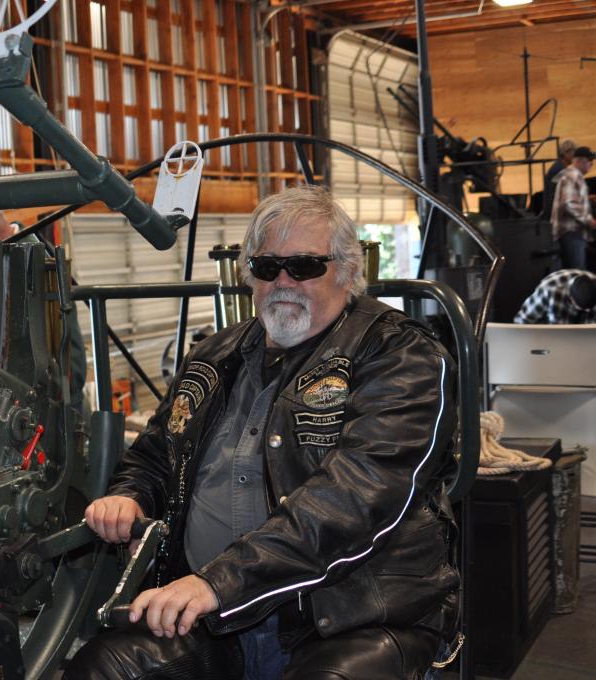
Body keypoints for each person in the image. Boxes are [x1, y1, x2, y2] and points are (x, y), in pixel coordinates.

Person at [67, 185, 459, 680]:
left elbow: (354, 500)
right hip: (209, 612)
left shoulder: (400, 355)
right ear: (248, 275)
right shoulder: (212, 356)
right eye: (267, 266)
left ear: (346, 271)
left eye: (304, 266)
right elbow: (155, 455)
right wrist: (129, 496)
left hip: (348, 616)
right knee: (102, 669)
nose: (283, 282)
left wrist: (219, 583)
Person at [0, 211, 89, 411]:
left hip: (56, 406)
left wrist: (64, 395)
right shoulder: (11, 252)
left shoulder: (35, 261)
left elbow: (67, 354)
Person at [551, 146, 596, 270]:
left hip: (572, 232)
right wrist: (590, 221)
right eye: (590, 161)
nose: (591, 164)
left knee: (574, 271)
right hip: (571, 232)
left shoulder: (572, 176)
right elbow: (569, 203)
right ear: (579, 160)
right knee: (576, 273)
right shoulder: (572, 175)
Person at [514, 269, 596, 324]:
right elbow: (522, 321)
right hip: (550, 337)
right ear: (571, 299)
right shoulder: (548, 289)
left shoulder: (593, 283)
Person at [541, 139, 577, 220]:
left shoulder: (559, 166)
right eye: (573, 153)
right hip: (556, 214)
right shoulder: (559, 169)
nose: (575, 156)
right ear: (566, 153)